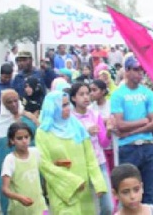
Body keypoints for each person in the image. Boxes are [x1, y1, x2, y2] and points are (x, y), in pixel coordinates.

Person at [36, 91, 107, 213]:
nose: (67, 108)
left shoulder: (77, 126)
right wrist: (72, 181)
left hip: (84, 190)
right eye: (63, 105)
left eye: (68, 104)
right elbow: (43, 164)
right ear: (53, 107)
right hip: (62, 191)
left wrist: (98, 182)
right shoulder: (43, 133)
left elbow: (90, 156)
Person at [110, 56, 153, 205]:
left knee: (149, 193)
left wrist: (131, 131)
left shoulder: (148, 93)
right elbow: (120, 124)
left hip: (147, 145)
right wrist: (143, 121)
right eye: (136, 70)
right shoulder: (118, 95)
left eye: (142, 70)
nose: (140, 73)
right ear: (127, 71)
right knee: (129, 195)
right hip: (128, 148)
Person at [0, 89, 39, 214]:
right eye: (9, 102)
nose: (14, 104)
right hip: (8, 170)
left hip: (29, 167)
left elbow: (39, 137)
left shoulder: (28, 118)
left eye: (16, 100)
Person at [70, 82, 114, 215]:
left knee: (108, 206)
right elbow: (70, 143)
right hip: (80, 165)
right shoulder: (70, 119)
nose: (86, 97)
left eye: (87, 93)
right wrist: (85, 131)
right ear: (73, 98)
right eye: (81, 94)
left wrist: (109, 131)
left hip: (98, 163)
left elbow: (104, 143)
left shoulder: (95, 115)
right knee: (85, 206)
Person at [1, 122, 48, 215]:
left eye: (26, 137)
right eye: (19, 138)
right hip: (19, 209)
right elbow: (5, 189)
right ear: (12, 140)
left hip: (40, 206)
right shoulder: (10, 160)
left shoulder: (35, 153)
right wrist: (19, 198)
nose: (24, 141)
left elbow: (48, 167)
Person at [90, 79, 116, 173]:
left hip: (114, 145)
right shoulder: (91, 108)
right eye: (91, 90)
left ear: (103, 91)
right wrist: (104, 121)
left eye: (94, 90)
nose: (91, 93)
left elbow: (115, 121)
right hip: (99, 149)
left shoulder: (111, 105)